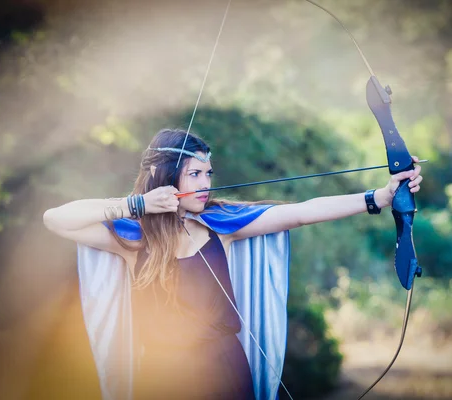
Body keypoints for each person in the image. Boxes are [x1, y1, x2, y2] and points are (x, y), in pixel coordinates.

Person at [43, 128, 423, 400]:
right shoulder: (133, 239)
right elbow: (55, 219)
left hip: (222, 369)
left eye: (208, 173)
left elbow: (302, 212)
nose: (206, 182)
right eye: (195, 173)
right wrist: (137, 205)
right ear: (164, 178)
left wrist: (381, 196)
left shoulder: (218, 225)